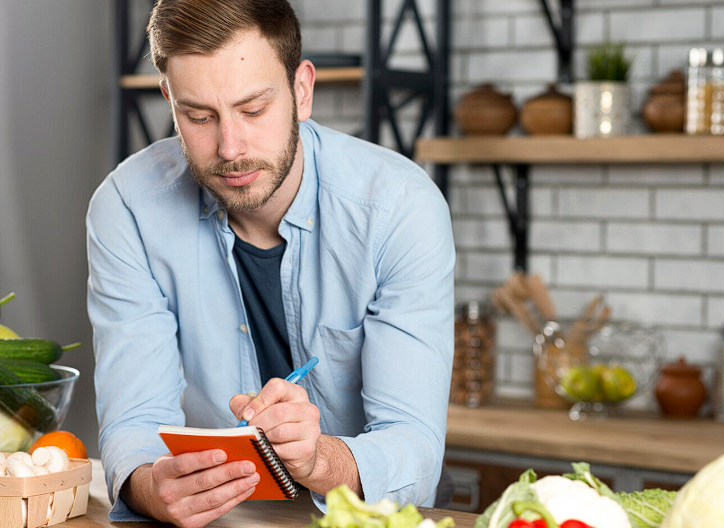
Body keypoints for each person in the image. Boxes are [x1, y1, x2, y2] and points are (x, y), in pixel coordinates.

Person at [86, 0, 455, 526]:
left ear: (302, 91)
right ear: (168, 98)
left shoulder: (400, 209)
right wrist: (149, 486)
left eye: (253, 110)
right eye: (198, 116)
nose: (230, 148)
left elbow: (415, 449)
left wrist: (319, 458)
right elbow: (136, 422)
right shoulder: (126, 207)